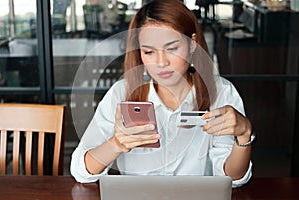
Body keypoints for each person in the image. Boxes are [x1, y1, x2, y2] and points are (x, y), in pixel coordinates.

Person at [70, 0, 253, 188]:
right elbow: (81, 172)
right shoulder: (121, 93)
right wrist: (116, 144)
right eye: (149, 52)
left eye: (172, 49)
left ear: (192, 44)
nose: (161, 62)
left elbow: (232, 180)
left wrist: (244, 135)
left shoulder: (221, 92)